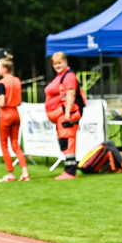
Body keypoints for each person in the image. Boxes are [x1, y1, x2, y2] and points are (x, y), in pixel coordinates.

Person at [44, 52, 85, 180]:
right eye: (55, 64)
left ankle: (70, 171)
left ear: (65, 62)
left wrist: (67, 113)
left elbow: (71, 94)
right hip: (61, 115)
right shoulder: (60, 76)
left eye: (59, 63)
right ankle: (68, 170)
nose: (57, 66)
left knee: (68, 141)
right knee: (64, 142)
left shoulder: (68, 76)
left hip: (67, 114)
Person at [0, 55, 29, 182]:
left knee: (4, 145)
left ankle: (11, 174)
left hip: (5, 114)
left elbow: (2, 103)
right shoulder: (17, 80)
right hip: (16, 113)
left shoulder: (2, 83)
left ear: (4, 68)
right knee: (15, 144)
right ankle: (25, 173)